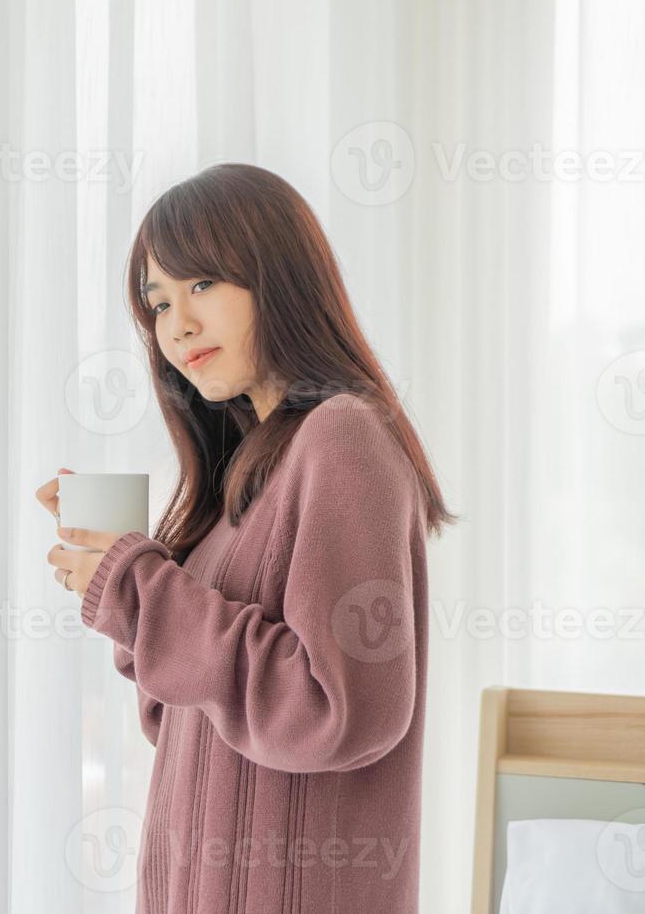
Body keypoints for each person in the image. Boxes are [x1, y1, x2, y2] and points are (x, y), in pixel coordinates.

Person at [38, 162, 457, 914]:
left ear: (279, 275)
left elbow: (344, 710)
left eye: (202, 284)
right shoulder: (244, 473)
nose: (177, 325)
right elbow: (186, 722)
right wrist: (134, 582)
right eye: (157, 302)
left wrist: (140, 585)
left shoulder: (343, 437)